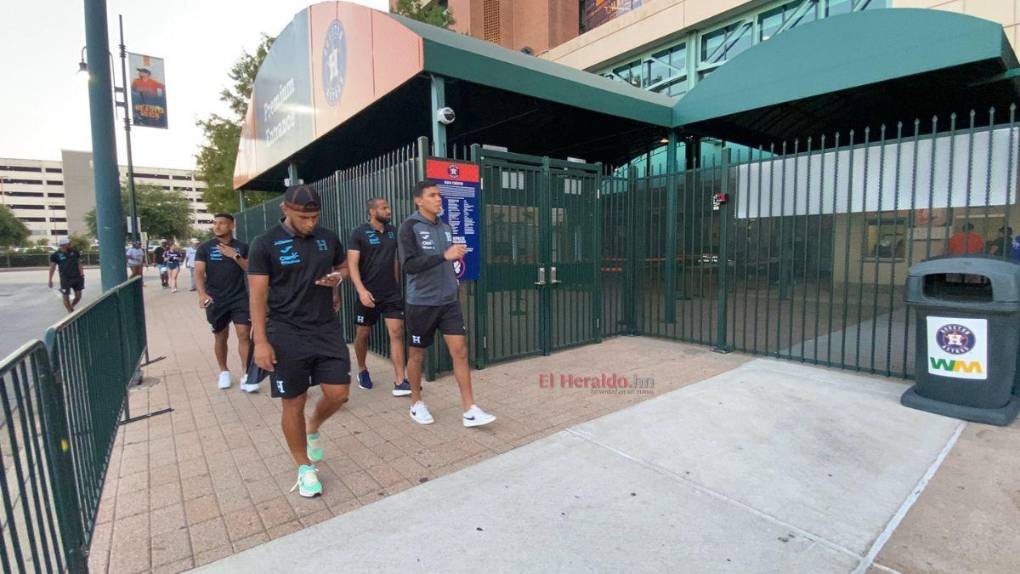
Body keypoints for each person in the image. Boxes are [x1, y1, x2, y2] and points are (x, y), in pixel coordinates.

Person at [248, 185, 350, 498]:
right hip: (286, 331)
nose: (310, 222)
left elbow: (344, 265)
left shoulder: (327, 237)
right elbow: (257, 295)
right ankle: (304, 467)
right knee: (294, 401)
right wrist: (261, 341)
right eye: (304, 217)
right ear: (285, 210)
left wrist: (339, 277)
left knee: (339, 394)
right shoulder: (265, 244)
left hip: (326, 328)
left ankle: (313, 425)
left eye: (315, 216)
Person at [398, 181, 495, 428]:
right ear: (418, 200)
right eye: (432, 195)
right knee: (417, 354)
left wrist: (451, 267)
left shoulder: (446, 227)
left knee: (460, 352)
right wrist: (444, 256)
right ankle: (416, 403)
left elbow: (448, 262)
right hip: (421, 303)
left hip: (449, 302)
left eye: (439, 195)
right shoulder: (409, 227)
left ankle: (470, 409)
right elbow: (409, 266)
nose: (438, 199)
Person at [348, 198, 411, 396]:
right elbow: (352, 265)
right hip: (368, 294)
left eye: (388, 207)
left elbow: (394, 260)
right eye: (384, 208)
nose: (388, 210)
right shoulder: (359, 233)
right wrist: (361, 291)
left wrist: (395, 284)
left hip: (391, 293)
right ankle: (362, 369)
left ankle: (400, 381)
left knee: (397, 332)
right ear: (372, 211)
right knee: (362, 334)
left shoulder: (393, 231)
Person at [196, 214, 257, 392]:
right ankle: (224, 371)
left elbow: (251, 269)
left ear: (232, 225)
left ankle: (246, 374)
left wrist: (235, 256)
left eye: (222, 223)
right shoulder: (205, 248)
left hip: (239, 298)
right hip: (215, 299)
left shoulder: (242, 247)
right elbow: (199, 272)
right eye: (215, 223)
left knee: (244, 334)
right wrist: (202, 294)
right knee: (220, 336)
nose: (217, 226)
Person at [48, 238, 85, 313]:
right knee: (66, 297)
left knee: (78, 296)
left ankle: (71, 307)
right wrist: (50, 280)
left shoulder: (74, 252)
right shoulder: (55, 255)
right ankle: (71, 312)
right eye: (69, 243)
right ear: (63, 245)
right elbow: (52, 268)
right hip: (65, 279)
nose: (70, 244)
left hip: (77, 277)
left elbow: (79, 263)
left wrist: (82, 273)